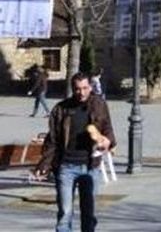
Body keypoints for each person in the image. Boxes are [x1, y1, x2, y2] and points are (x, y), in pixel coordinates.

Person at [33, 72, 116, 232]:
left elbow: (107, 129)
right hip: (66, 167)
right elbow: (53, 139)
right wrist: (44, 164)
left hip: (91, 167)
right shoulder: (61, 109)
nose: (82, 92)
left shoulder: (99, 105)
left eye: (85, 88)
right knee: (65, 212)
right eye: (78, 89)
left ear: (90, 87)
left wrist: (108, 141)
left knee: (88, 214)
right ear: (73, 89)